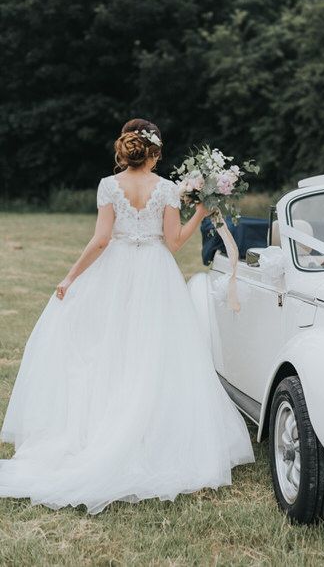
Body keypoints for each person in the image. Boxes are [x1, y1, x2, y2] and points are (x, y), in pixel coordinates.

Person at [0, 119, 254, 514]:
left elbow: (101, 240)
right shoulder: (167, 188)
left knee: (109, 348)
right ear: (153, 151)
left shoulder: (108, 185)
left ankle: (101, 427)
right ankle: (146, 431)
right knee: (153, 352)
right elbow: (172, 244)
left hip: (115, 270)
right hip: (155, 271)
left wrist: (70, 277)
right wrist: (201, 213)